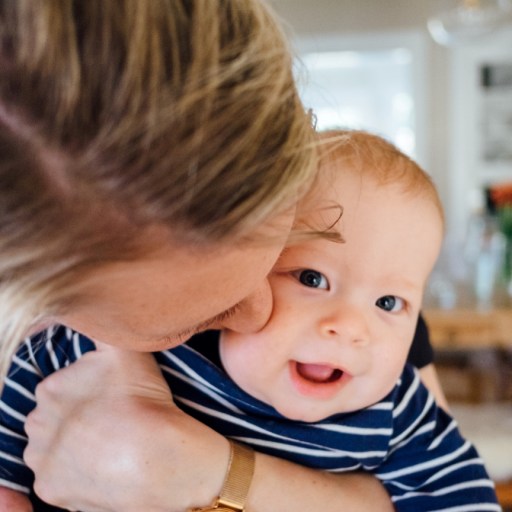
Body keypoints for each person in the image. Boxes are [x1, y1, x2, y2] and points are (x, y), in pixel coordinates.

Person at [0, 2, 442, 511]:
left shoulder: (357, 313)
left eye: (286, 261)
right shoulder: (51, 353)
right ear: (37, 305)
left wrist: (217, 474)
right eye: (195, 319)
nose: (261, 311)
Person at [0, 131, 496, 511]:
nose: (349, 325)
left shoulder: (396, 407)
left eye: (388, 304)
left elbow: (462, 497)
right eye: (311, 278)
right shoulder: (152, 335)